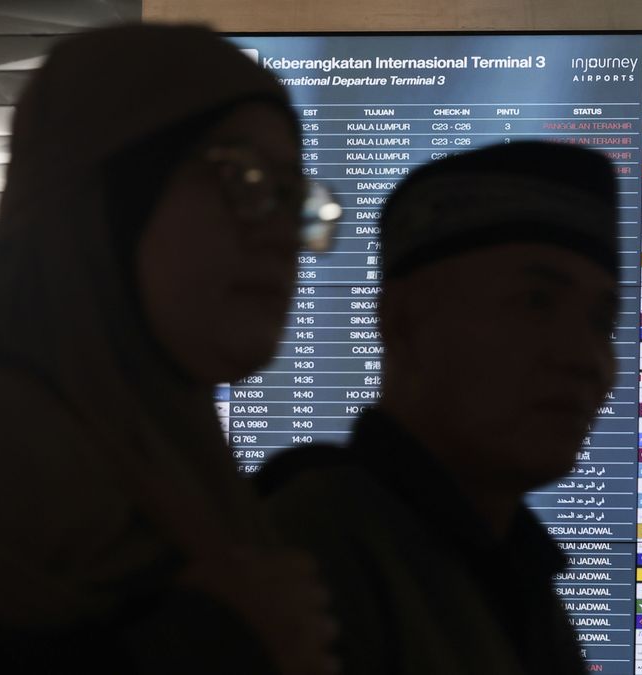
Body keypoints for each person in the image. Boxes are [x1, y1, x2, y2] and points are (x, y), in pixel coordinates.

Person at [0, 24, 339, 674]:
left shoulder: (158, 440)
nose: (281, 236)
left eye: (293, 196)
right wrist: (206, 644)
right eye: (242, 177)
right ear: (106, 197)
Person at [260, 141, 620, 675]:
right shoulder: (308, 562)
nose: (585, 359)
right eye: (536, 302)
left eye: (602, 322)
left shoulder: (512, 570)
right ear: (402, 322)